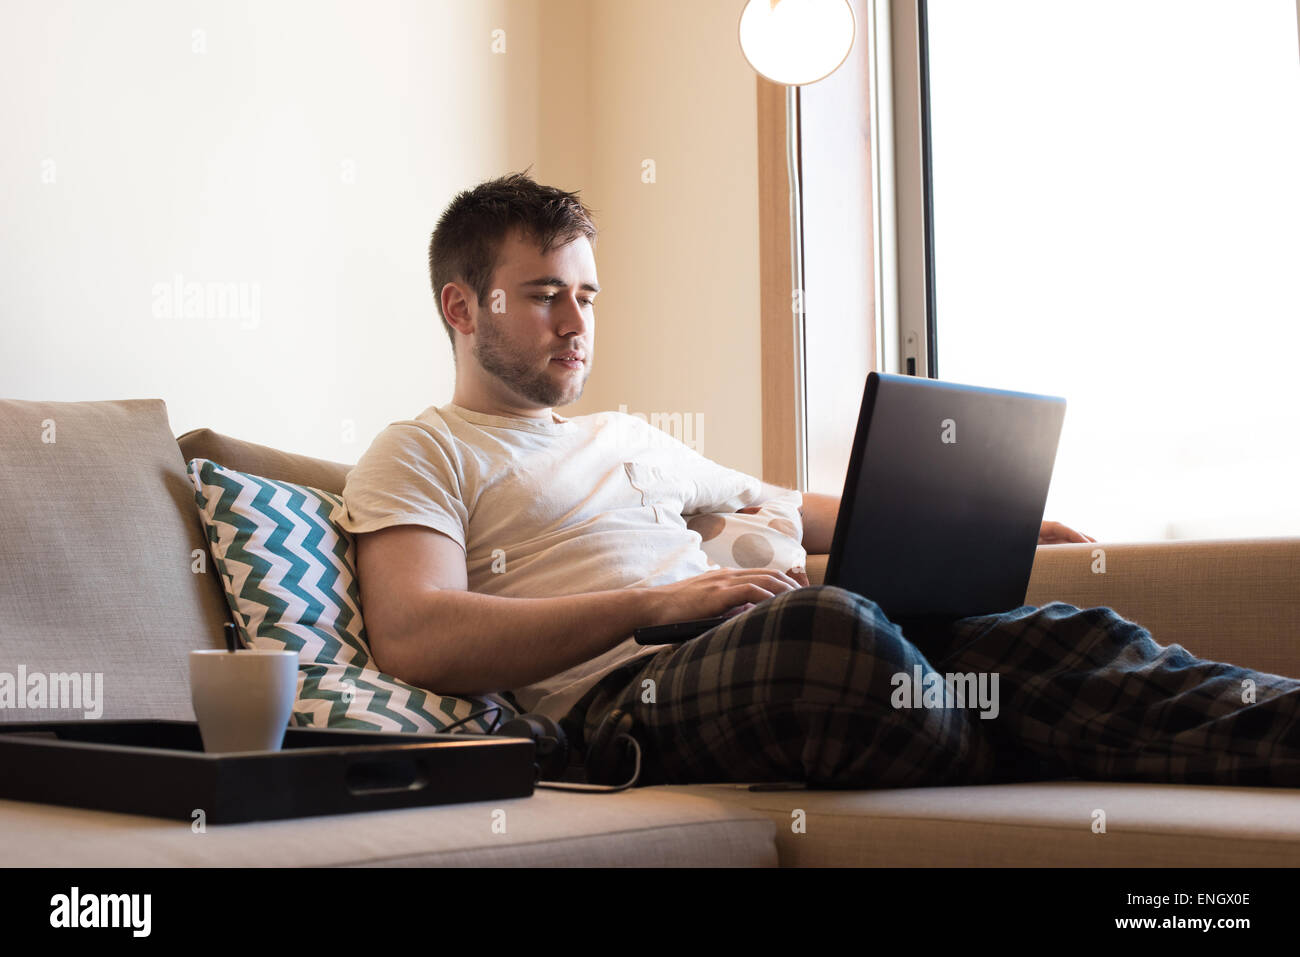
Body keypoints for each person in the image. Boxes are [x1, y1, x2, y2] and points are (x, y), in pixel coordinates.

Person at [331, 171, 1300, 789]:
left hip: (781, 650)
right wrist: (656, 602)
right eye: (544, 297)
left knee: (1056, 635)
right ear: (463, 305)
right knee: (827, 628)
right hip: (631, 699)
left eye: (585, 295)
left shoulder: (630, 436)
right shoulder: (420, 450)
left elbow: (795, 510)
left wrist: (995, 521)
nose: (576, 324)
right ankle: (1034, 732)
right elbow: (420, 635)